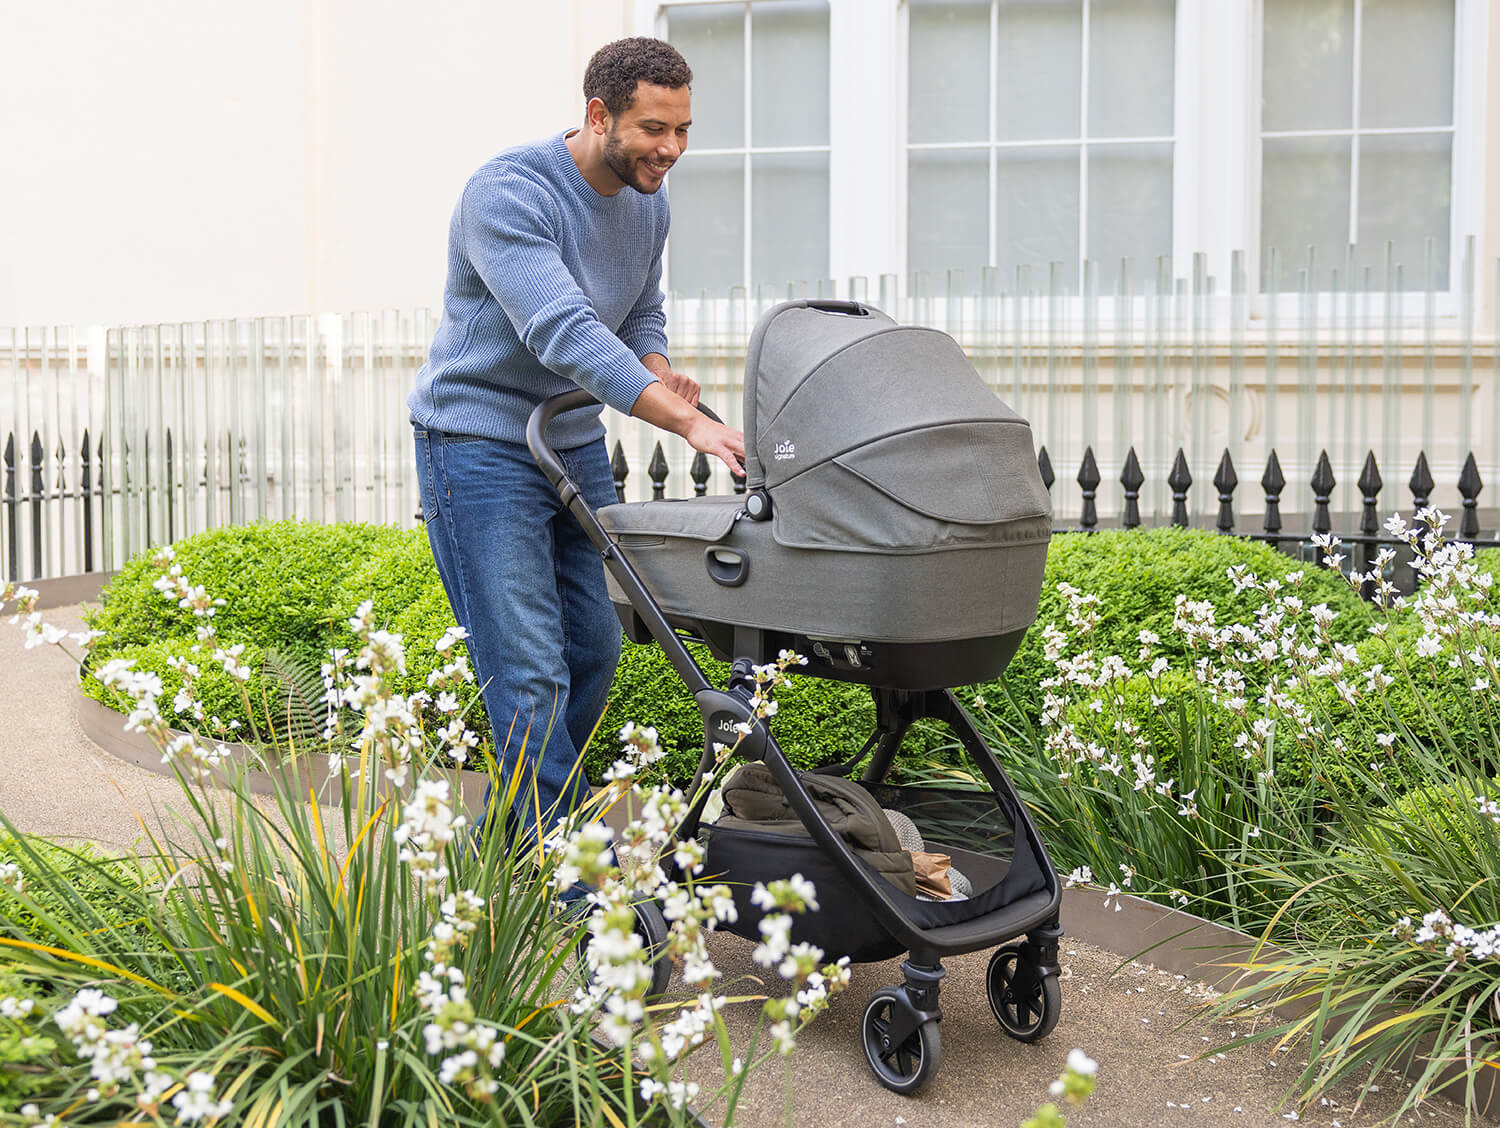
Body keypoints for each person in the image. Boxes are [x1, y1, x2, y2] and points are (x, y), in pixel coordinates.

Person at [408, 37, 744, 845]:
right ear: (600, 115)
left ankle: (510, 844)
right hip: (478, 444)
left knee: (594, 648)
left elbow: (636, 316)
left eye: (684, 130)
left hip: (569, 439)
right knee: (527, 673)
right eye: (654, 129)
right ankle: (569, 879)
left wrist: (659, 374)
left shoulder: (647, 201)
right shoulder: (509, 194)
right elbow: (562, 330)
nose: (671, 149)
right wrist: (685, 420)